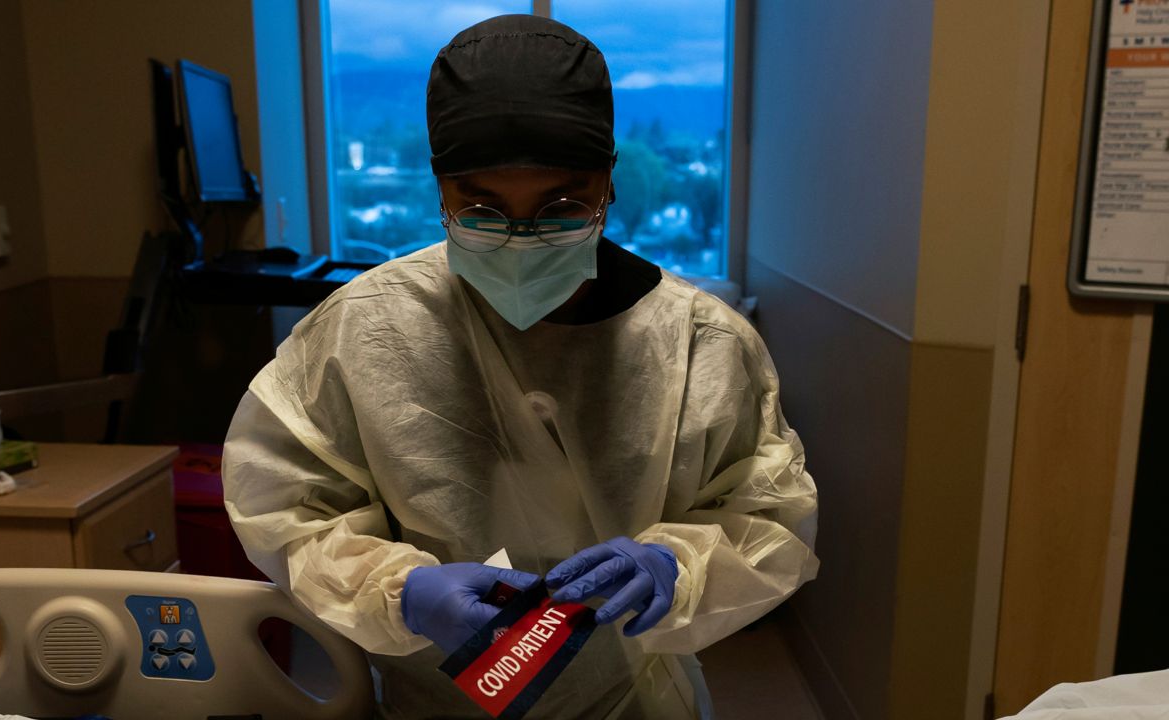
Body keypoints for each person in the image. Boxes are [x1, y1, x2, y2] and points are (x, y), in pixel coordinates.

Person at [222, 13, 818, 720]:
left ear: (609, 185)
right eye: (481, 207)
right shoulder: (366, 328)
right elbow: (288, 506)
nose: (521, 241)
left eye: (562, 206)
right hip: (434, 700)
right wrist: (397, 591)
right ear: (439, 190)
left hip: (635, 700)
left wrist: (677, 567)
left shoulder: (700, 344)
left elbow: (766, 516)